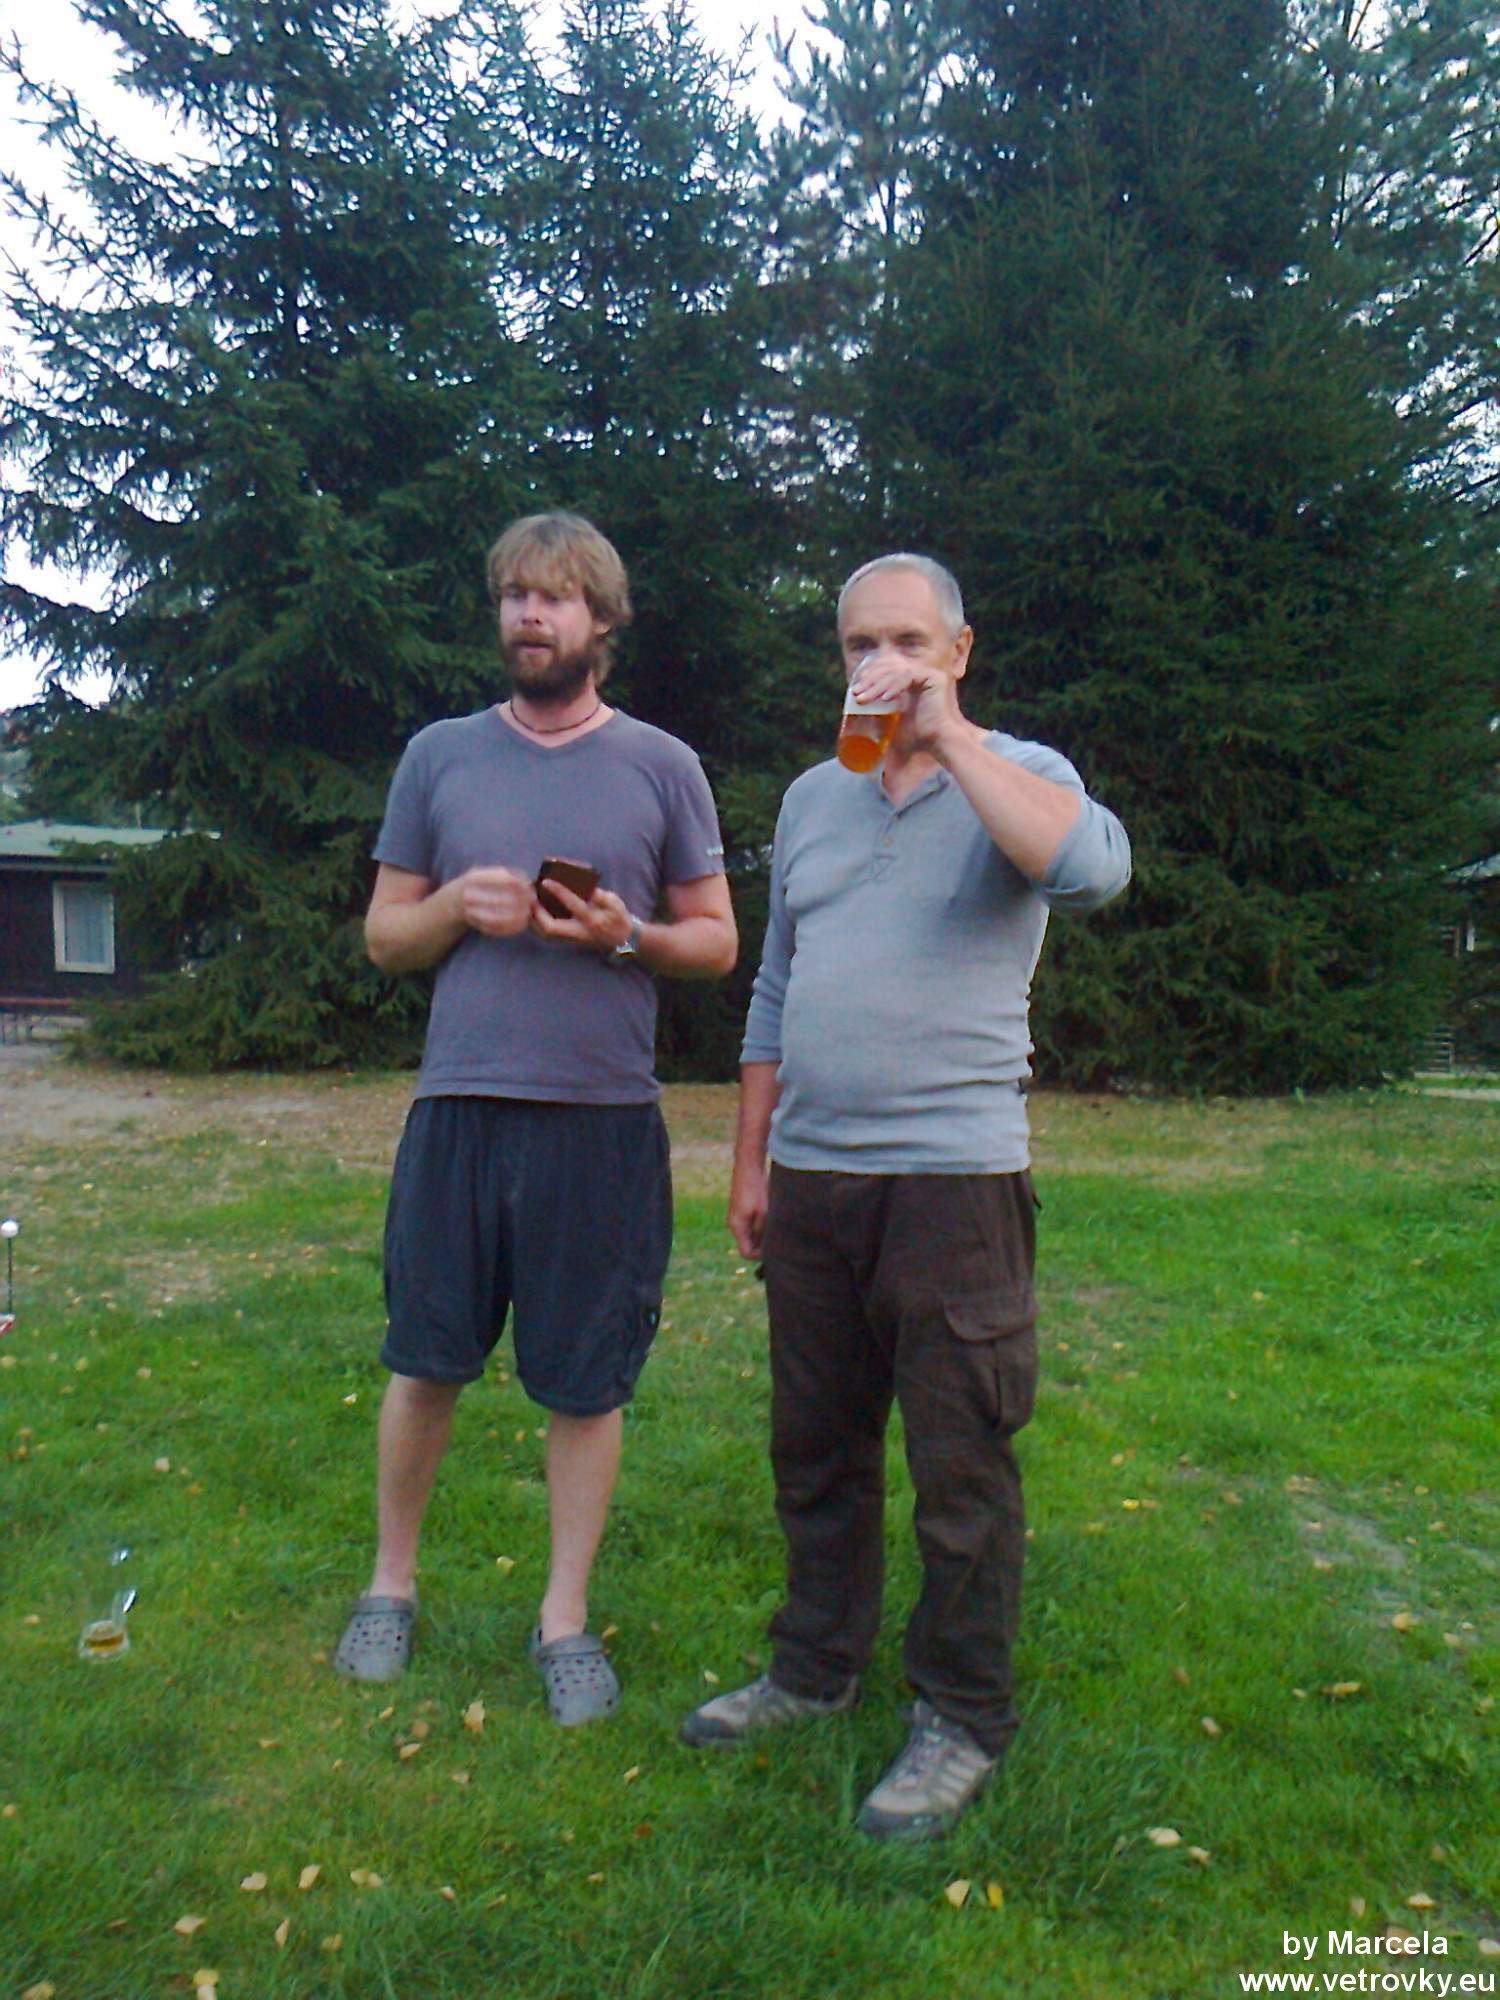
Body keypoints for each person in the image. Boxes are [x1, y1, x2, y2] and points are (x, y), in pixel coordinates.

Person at [681, 553, 1130, 1837]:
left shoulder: (1020, 770)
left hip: (954, 1181)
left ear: (959, 650)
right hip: (814, 1180)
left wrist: (951, 737)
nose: (881, 663)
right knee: (816, 1447)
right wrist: (751, 1160)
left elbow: (1092, 873)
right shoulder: (813, 799)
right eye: (860, 644)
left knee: (959, 1459)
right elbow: (775, 988)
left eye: (909, 641)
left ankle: (962, 1713)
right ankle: (814, 1666)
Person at [335, 511, 736, 1724]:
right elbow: (386, 935)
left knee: (585, 1384)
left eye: (554, 596)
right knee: (425, 1359)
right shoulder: (440, 757)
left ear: (601, 620)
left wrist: (625, 933)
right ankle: (389, 1588)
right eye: (514, 593)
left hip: (600, 1118)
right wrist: (455, 902)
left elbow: (716, 942)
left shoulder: (662, 764)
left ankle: (563, 1620)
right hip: (460, 1106)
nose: (528, 613)